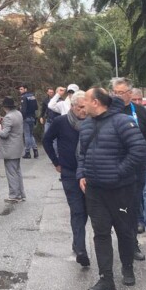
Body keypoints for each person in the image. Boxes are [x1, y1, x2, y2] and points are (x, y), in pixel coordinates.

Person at [77, 87, 146, 290]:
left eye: (86, 100)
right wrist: (82, 174)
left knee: (125, 232)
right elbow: (82, 153)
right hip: (95, 190)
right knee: (100, 233)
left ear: (97, 103)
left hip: (121, 190)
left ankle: (127, 268)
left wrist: (118, 172)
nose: (82, 105)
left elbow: (139, 151)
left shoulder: (122, 122)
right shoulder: (87, 125)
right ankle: (106, 279)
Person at [110, 79, 146, 259]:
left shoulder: (141, 112)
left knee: (134, 206)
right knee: (118, 209)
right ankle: (119, 242)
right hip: (116, 167)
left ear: (129, 93)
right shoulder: (108, 112)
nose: (118, 96)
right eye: (115, 92)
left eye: (121, 92)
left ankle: (132, 244)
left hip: (137, 167)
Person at [43, 92, 90, 267]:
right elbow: (47, 141)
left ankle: (77, 242)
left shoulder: (92, 123)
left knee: (85, 210)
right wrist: (56, 162)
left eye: (86, 107)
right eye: (80, 107)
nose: (84, 111)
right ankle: (81, 250)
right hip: (69, 172)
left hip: (88, 173)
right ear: (72, 106)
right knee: (77, 209)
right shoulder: (61, 122)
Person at [0, 97, 26, 203]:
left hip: (10, 149)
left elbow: (4, 134)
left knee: (11, 172)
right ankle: (21, 194)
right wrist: (3, 121)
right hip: (18, 147)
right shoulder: (18, 114)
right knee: (17, 171)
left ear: (5, 107)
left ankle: (14, 195)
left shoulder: (8, 117)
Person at [19, 85, 39, 159]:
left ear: (25, 89)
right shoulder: (32, 96)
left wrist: (22, 118)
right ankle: (35, 151)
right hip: (32, 117)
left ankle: (27, 152)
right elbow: (36, 107)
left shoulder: (23, 97)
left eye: (21, 89)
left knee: (27, 135)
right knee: (31, 135)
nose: (20, 90)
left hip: (26, 118)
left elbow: (23, 110)